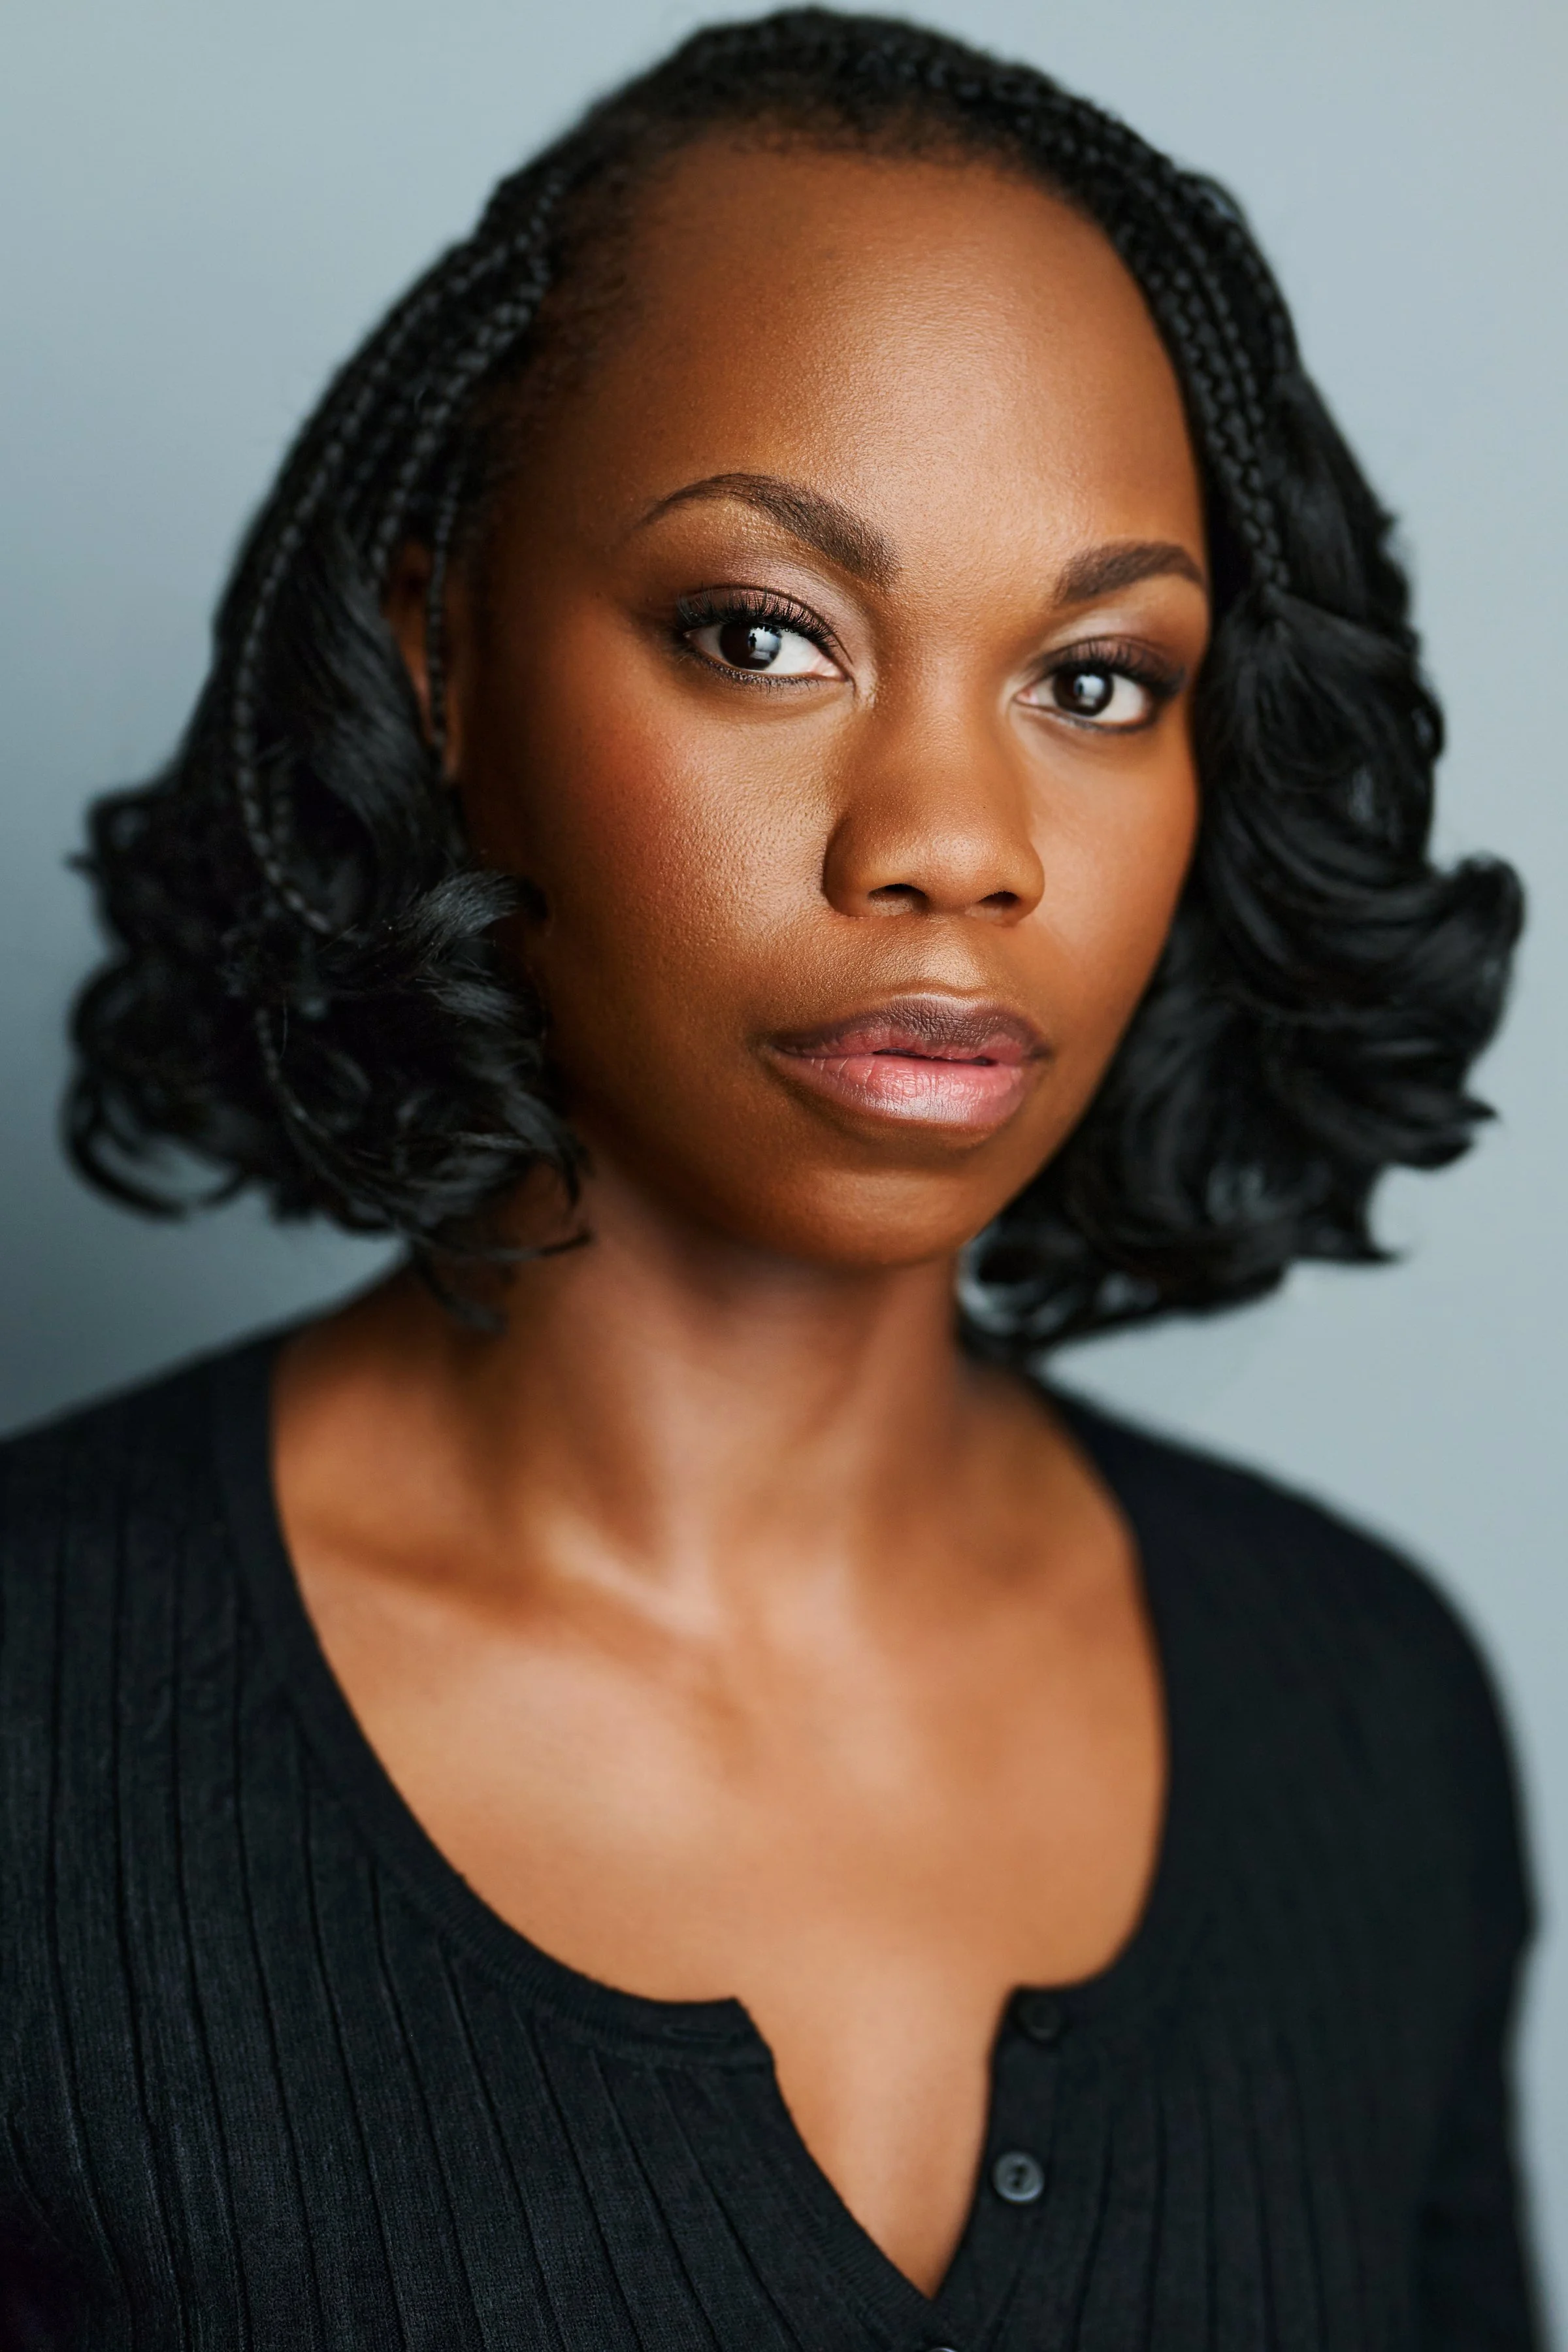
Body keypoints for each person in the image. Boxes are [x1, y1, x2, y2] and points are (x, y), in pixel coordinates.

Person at [0, 10, 1539, 2345]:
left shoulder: (1365, 1716)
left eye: (1100, 681)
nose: (952, 844)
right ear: (439, 665)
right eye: (764, 635)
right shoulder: (36, 1719)